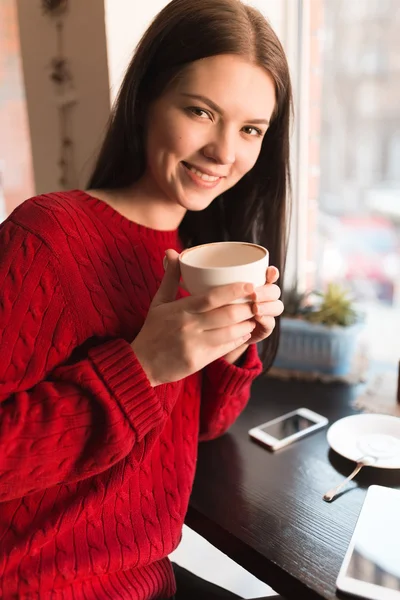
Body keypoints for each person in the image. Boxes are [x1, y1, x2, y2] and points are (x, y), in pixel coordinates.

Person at [0, 0, 292, 597]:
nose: (223, 152)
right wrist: (141, 366)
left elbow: (203, 425)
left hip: (148, 578)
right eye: (201, 111)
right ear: (145, 101)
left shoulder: (193, 250)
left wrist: (235, 350)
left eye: (250, 129)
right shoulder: (49, 235)